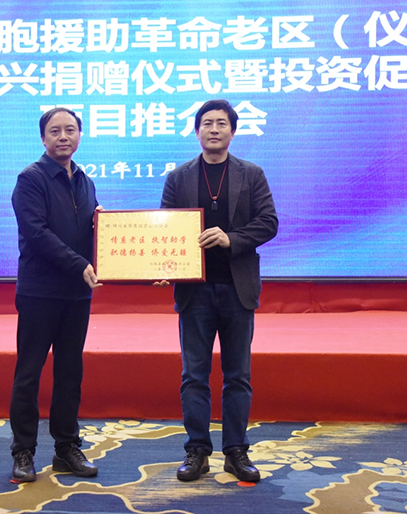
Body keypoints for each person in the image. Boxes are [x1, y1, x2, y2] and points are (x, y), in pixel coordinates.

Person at [159, 99, 278, 482]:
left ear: (233, 131)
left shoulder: (252, 174)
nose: (214, 129)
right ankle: (196, 450)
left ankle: (236, 451)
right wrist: (160, 265)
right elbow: (164, 229)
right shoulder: (179, 177)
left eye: (221, 123)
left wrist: (232, 238)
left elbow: (269, 222)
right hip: (194, 291)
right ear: (197, 131)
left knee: (237, 375)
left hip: (237, 289)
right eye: (207, 123)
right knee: (193, 375)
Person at [9, 107, 102, 483]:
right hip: (40, 291)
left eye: (70, 130)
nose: (63, 136)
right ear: (43, 138)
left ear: (80, 135)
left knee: (69, 373)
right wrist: (79, 264)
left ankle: (66, 448)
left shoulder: (85, 180)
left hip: (77, 293)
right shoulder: (30, 179)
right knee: (29, 373)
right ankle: (23, 451)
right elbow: (37, 233)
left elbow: (90, 232)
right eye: (55, 131)